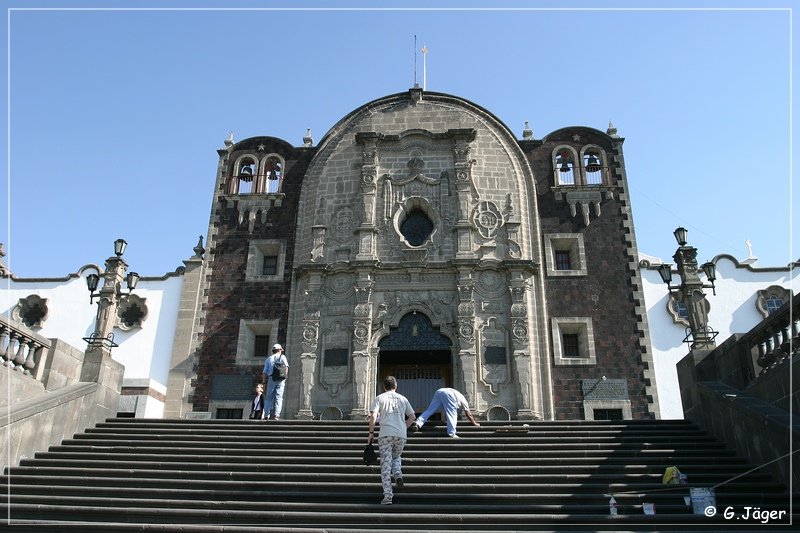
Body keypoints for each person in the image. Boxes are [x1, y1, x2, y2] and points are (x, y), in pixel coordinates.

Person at [368, 375, 416, 505]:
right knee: (396, 456)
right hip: (401, 435)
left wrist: (371, 432)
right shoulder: (403, 399)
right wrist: (404, 427)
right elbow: (412, 417)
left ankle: (388, 496)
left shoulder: (380, 398)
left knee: (385, 465)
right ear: (395, 386)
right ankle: (398, 473)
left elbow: (373, 415)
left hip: (385, 434)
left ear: (384, 387)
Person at [410, 387, 480, 438]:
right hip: (450, 394)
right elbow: (468, 414)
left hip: (439, 391)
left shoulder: (459, 396)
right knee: (452, 413)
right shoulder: (464, 401)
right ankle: (451, 433)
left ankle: (418, 423)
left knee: (430, 410)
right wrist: (474, 423)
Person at [261, 343, 289, 420]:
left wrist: (263, 382)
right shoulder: (282, 357)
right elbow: (286, 367)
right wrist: (285, 377)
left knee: (268, 398)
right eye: (281, 350)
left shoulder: (269, 359)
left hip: (271, 378)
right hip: (281, 379)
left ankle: (266, 415)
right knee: (279, 397)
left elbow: (264, 372)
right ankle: (276, 415)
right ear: (279, 350)